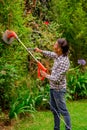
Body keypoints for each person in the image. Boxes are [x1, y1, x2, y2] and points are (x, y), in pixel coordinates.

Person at [35, 38, 71, 130]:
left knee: (63, 111)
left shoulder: (64, 62)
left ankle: (68, 128)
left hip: (58, 90)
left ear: (60, 49)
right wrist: (40, 51)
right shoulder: (58, 56)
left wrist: (46, 75)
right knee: (55, 111)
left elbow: (57, 79)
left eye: (55, 44)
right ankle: (56, 128)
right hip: (53, 88)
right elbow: (51, 54)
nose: (53, 45)